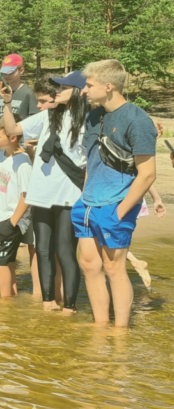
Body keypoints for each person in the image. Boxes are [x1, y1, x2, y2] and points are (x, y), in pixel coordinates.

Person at [75, 59, 157, 328]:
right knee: (88, 265)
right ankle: (101, 328)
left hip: (116, 204)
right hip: (88, 202)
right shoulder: (93, 116)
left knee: (114, 268)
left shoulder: (137, 119)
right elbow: (91, 160)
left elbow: (147, 174)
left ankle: (120, 333)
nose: (84, 91)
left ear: (108, 86)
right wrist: (84, 196)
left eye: (89, 85)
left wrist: (121, 211)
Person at [3, 73, 88, 310]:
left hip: (70, 193)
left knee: (65, 250)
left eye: (62, 87)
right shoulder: (47, 116)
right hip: (41, 193)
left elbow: (88, 161)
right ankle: (48, 301)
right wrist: (8, 103)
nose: (39, 105)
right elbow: (12, 129)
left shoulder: (87, 119)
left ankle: (70, 307)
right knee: (42, 249)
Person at [0, 121, 33, 298]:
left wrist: (13, 221)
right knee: (5, 262)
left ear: (13, 137)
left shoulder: (22, 162)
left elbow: (27, 196)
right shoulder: (0, 156)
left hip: (11, 219)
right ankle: (11, 297)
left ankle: (4, 302)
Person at [0, 54, 36, 121]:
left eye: (10, 72)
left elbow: (34, 120)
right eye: (4, 72)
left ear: (21, 70)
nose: (6, 75)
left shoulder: (29, 93)